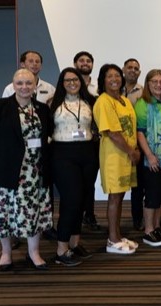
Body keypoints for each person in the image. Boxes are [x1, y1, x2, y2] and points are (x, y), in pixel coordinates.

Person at [0, 69, 53, 271]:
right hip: (4, 170)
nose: (24, 87)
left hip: (34, 172)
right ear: (13, 85)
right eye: (19, 83)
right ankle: (5, 253)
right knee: (4, 213)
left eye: (28, 83)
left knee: (33, 213)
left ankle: (34, 252)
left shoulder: (41, 109)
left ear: (34, 86)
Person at [48, 68, 97, 266]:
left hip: (87, 152)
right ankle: (61, 249)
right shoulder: (53, 102)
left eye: (75, 79)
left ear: (81, 81)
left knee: (83, 198)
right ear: (62, 82)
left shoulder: (90, 101)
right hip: (62, 154)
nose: (72, 83)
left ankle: (75, 243)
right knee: (71, 199)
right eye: (67, 80)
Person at [92, 64, 140, 254]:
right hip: (114, 155)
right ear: (103, 80)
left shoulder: (124, 101)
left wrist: (131, 151)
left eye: (117, 76)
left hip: (126, 155)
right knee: (114, 197)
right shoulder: (103, 101)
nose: (114, 79)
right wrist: (131, 151)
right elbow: (112, 132)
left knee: (120, 196)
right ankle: (112, 240)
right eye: (109, 76)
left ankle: (118, 236)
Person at [135, 69, 161, 246]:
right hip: (151, 156)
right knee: (152, 194)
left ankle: (157, 226)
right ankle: (148, 230)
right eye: (154, 81)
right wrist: (150, 155)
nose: (158, 85)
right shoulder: (143, 104)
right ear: (148, 84)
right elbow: (140, 133)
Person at [73, 51, 101, 231]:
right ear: (75, 64)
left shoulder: (98, 88)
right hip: (72, 144)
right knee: (75, 182)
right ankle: (75, 215)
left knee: (89, 180)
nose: (85, 63)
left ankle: (89, 215)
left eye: (88, 60)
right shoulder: (70, 85)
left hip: (93, 141)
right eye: (81, 60)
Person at [122, 58, 145, 231]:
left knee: (138, 185)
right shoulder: (112, 89)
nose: (132, 70)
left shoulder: (143, 93)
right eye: (129, 67)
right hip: (115, 143)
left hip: (136, 144)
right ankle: (114, 221)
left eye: (136, 68)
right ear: (124, 69)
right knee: (117, 185)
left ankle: (137, 219)